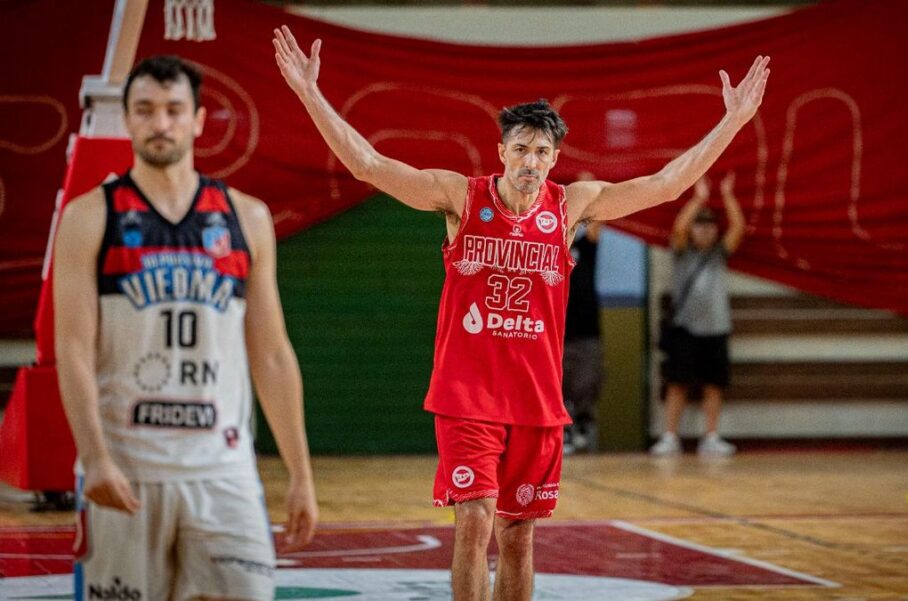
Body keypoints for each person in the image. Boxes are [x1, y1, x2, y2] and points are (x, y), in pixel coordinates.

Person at [273, 25, 768, 601]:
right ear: (501, 151)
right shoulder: (461, 197)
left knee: (519, 536)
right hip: (467, 396)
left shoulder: (572, 204)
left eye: (542, 152)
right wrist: (311, 93)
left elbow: (665, 184)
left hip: (535, 400)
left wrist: (730, 121)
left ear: (555, 158)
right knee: (475, 519)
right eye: (521, 149)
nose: (530, 161)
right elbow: (368, 164)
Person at [53, 55, 318, 600]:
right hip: (128, 468)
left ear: (198, 120)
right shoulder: (90, 217)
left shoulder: (246, 218)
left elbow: (271, 355)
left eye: (174, 110)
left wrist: (300, 472)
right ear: (127, 119)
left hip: (222, 469)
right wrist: (95, 456)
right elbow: (72, 349)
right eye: (145, 110)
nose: (160, 123)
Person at [650, 172, 745, 457]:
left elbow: (738, 228)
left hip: (716, 328)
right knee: (677, 384)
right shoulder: (682, 252)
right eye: (699, 226)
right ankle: (669, 436)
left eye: (709, 226)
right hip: (685, 329)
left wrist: (727, 197)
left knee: (714, 385)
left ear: (716, 230)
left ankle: (711, 436)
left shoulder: (719, 254)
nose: (704, 231)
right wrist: (698, 198)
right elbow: (679, 228)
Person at [562, 192, 603, 454]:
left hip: (587, 327)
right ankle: (563, 431)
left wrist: (589, 190)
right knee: (558, 385)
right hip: (557, 329)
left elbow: (599, 221)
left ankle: (583, 427)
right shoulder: (547, 246)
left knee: (587, 381)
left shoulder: (585, 246)